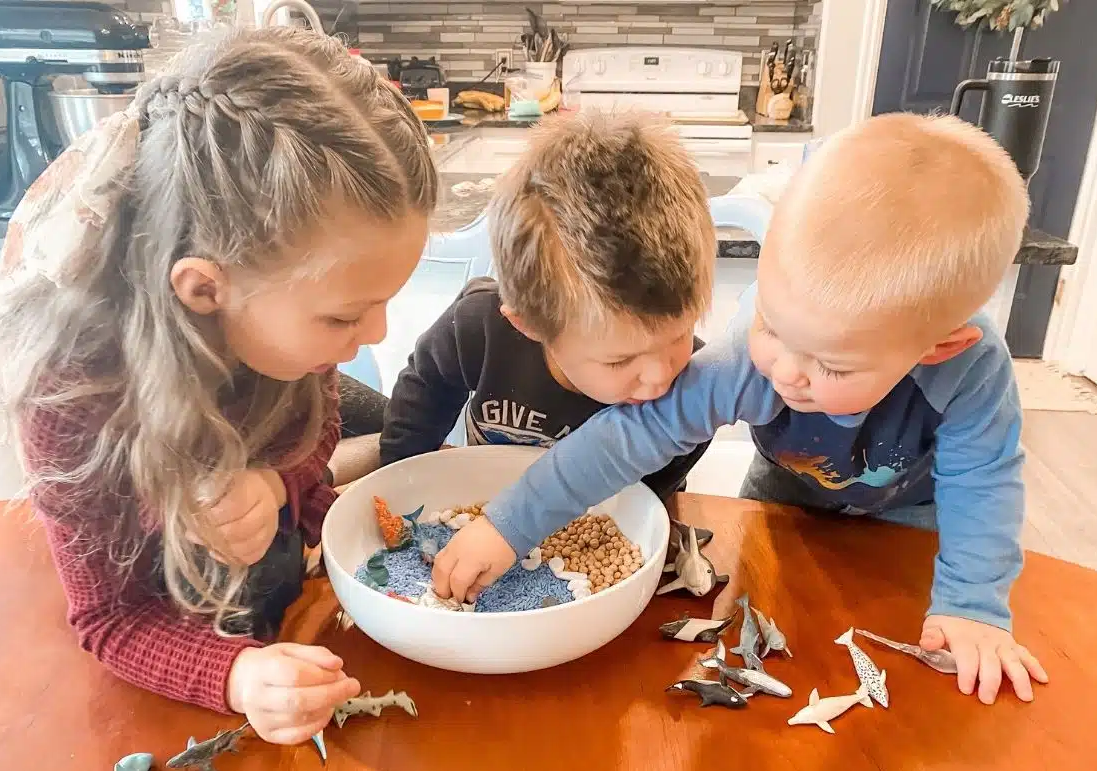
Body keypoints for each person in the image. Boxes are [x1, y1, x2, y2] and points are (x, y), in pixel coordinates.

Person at [433, 112, 1050, 705]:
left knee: (891, 630)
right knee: (779, 627)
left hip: (912, 514)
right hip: (785, 489)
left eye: (828, 366)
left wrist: (972, 606)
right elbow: (628, 437)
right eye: (768, 323)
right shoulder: (752, 360)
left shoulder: (972, 373)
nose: (782, 370)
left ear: (937, 348)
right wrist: (508, 524)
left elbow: (984, 483)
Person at [0, 27, 436, 744]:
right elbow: (110, 618)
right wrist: (237, 677)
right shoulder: (69, 398)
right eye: (346, 315)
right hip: (175, 639)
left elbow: (315, 423)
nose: (378, 334)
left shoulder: (286, 328)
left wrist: (280, 483)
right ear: (205, 289)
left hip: (281, 576)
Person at [379, 111, 713, 501]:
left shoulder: (695, 383)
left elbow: (670, 465)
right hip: (487, 490)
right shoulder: (477, 328)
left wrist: (641, 502)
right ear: (528, 326)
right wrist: (399, 480)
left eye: (679, 335)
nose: (660, 378)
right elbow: (426, 386)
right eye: (620, 361)